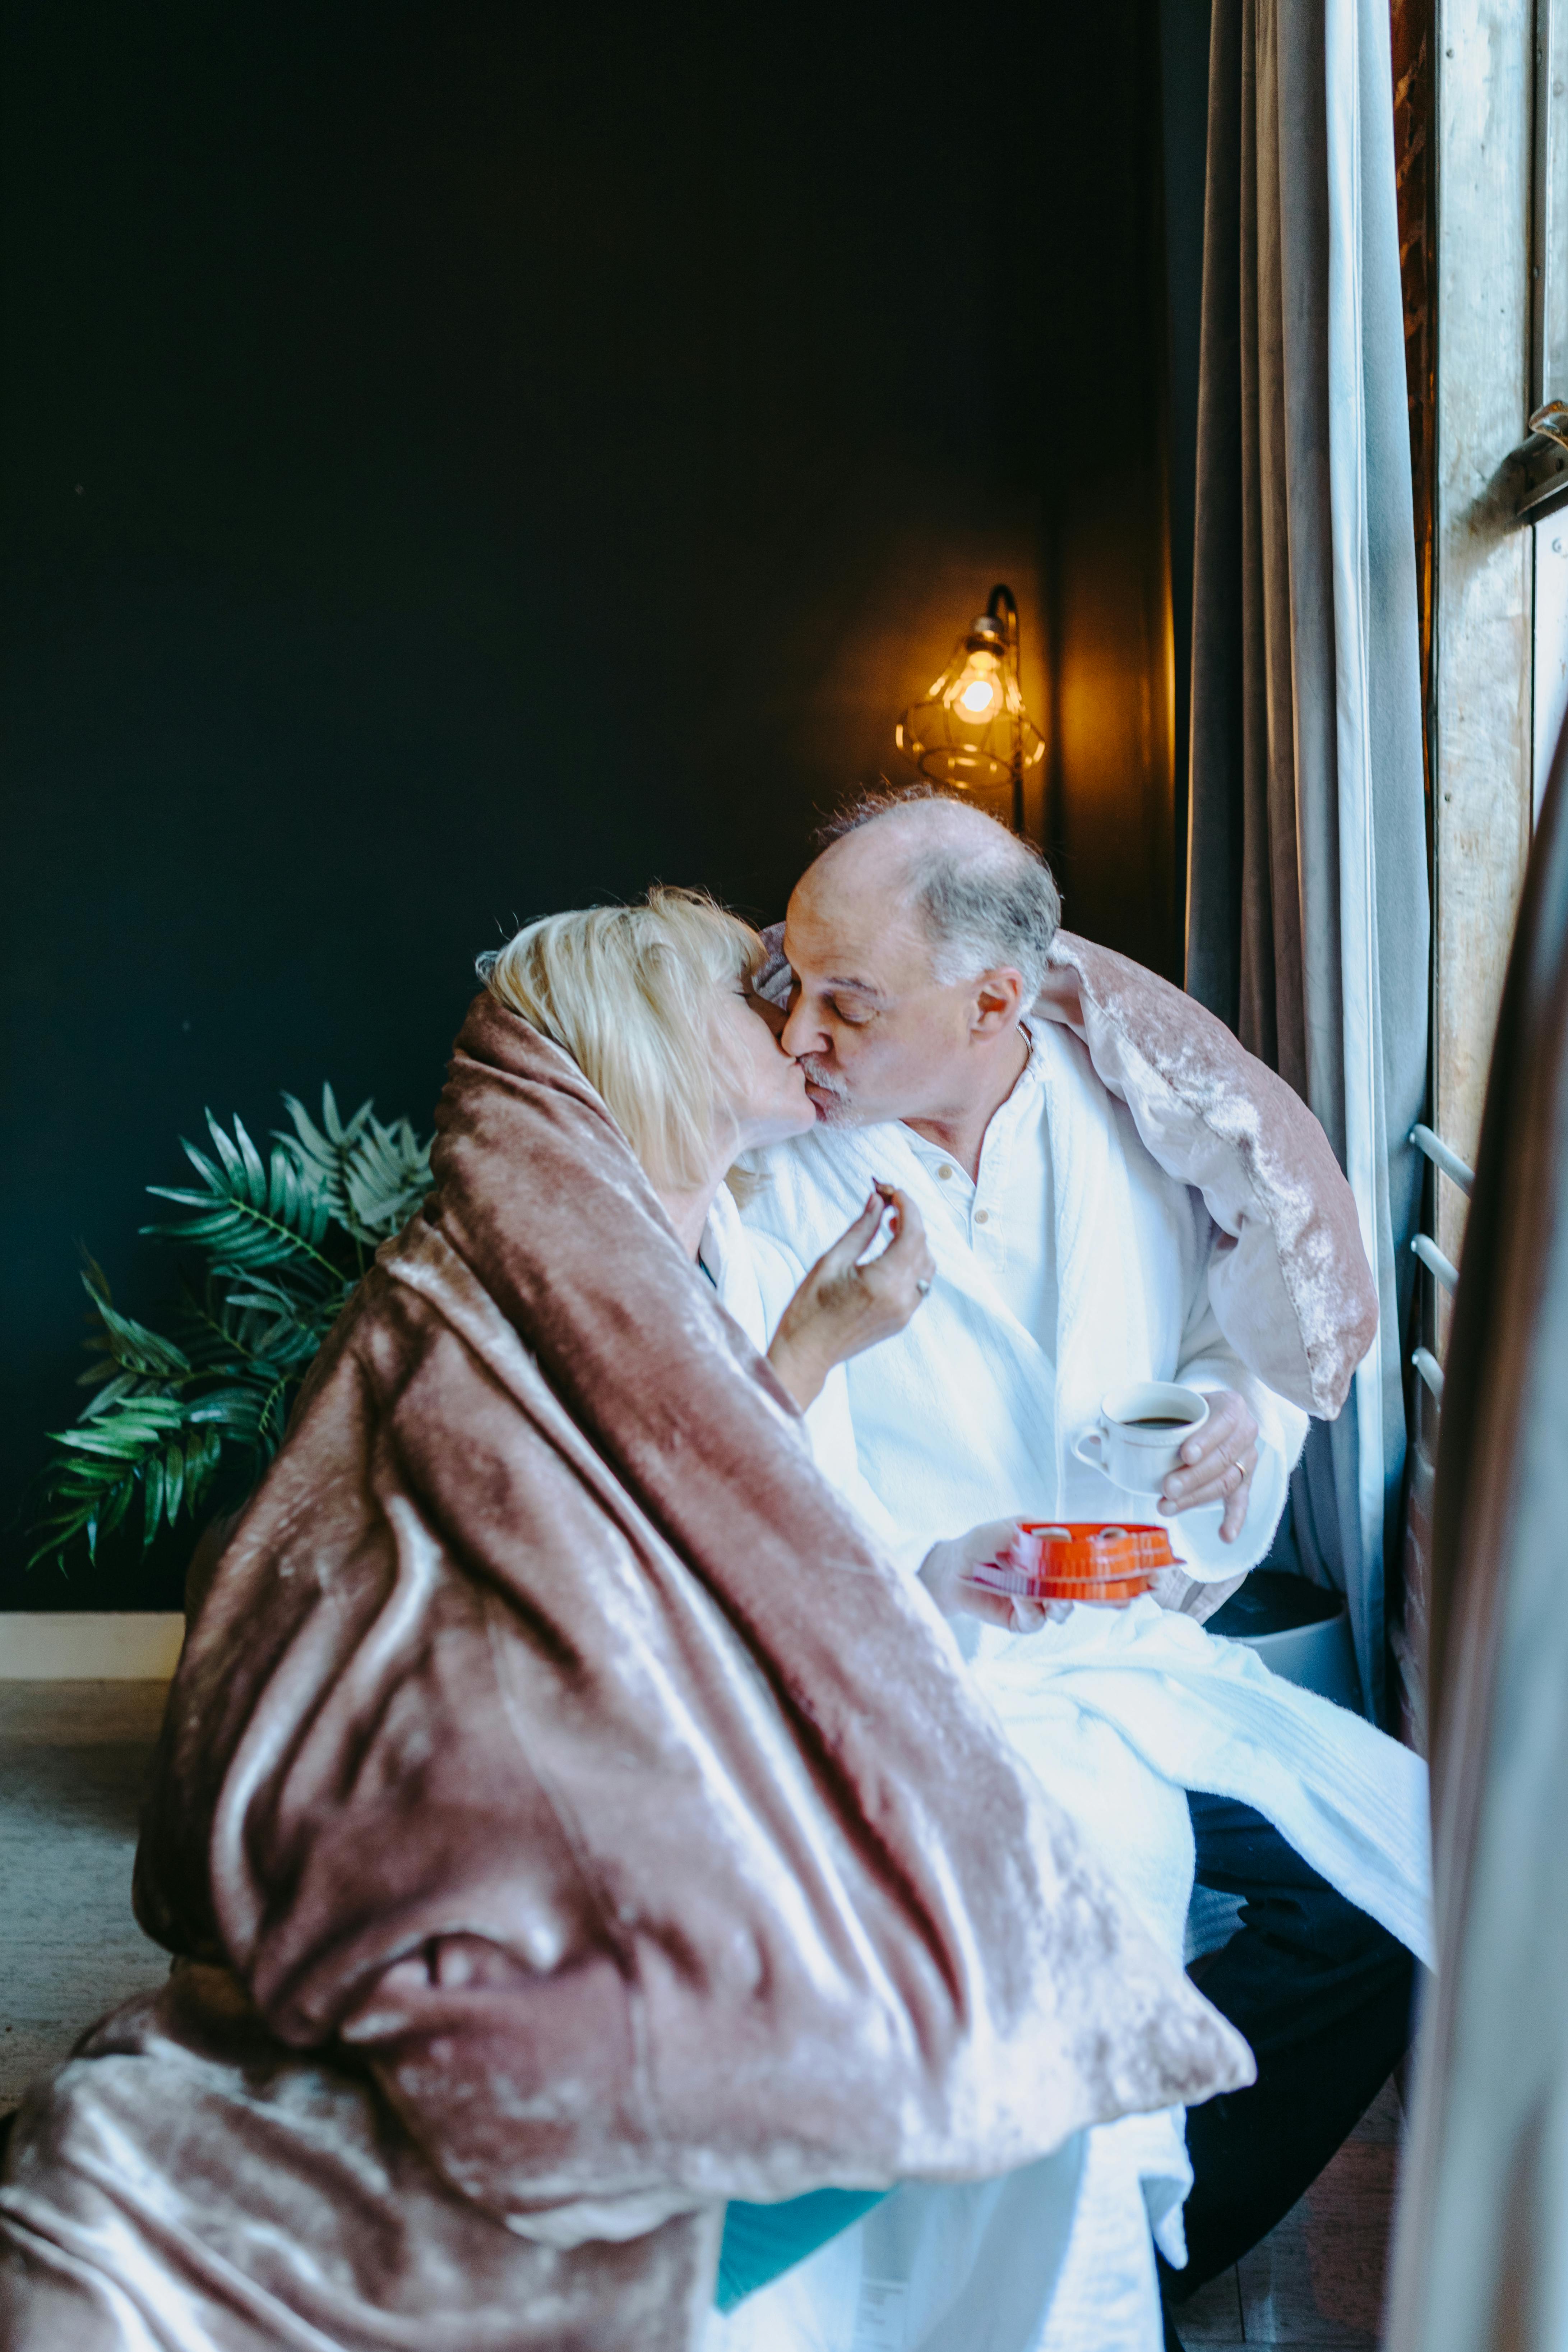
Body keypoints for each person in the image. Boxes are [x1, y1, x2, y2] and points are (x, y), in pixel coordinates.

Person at [0, 888, 1244, 2352]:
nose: (796, 1024)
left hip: (612, 1747)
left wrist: (812, 1361)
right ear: (652, 1031)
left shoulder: (652, 1242)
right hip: (486, 1810)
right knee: (967, 2013)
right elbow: (566, 1583)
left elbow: (656, 1531)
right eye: (757, 990)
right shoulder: (552, 1262)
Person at [725, 788, 1429, 2347]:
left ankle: (1129, 2253)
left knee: (1374, 1901)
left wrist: (1240, 1415)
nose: (800, 1036)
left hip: (1124, 1643)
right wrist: (926, 1563)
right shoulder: (774, 1177)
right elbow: (738, 1451)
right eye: (794, 984)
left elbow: (1225, 1330)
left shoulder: (1131, 1127)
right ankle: (988, 2268)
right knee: (1013, 1909)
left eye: (851, 1000)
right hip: (897, 1657)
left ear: (993, 1003)